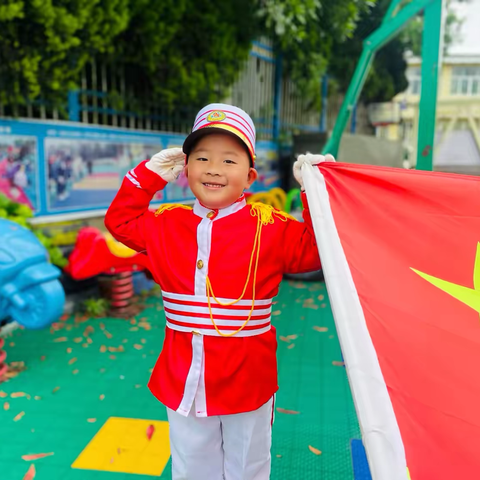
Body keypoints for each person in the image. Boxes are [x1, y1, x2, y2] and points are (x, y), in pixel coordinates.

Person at [105, 103, 334, 480]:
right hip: (183, 376)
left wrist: (315, 192)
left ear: (250, 177)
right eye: (202, 157)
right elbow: (120, 222)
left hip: (248, 378)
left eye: (229, 161)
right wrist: (147, 176)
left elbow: (316, 249)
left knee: (248, 466)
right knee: (191, 467)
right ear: (185, 169)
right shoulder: (166, 222)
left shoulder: (272, 226)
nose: (213, 168)